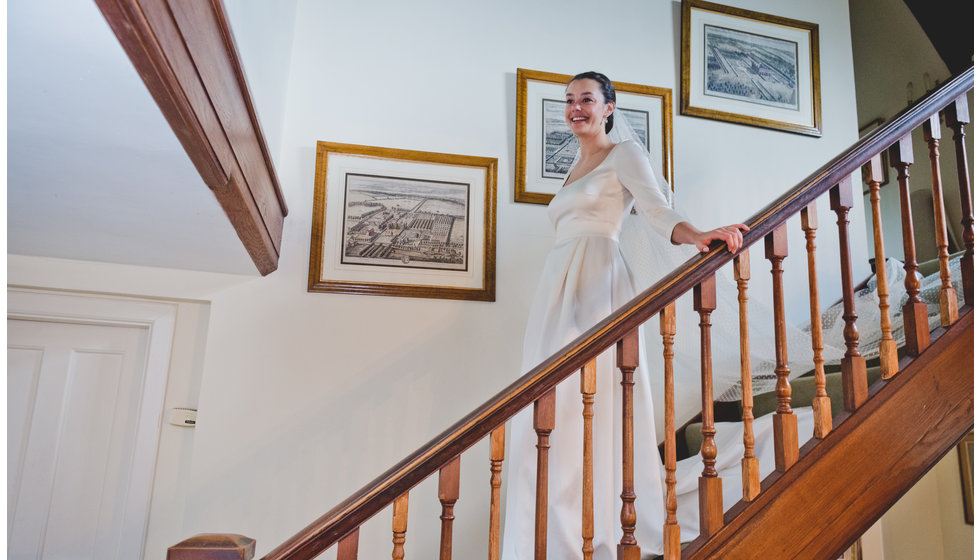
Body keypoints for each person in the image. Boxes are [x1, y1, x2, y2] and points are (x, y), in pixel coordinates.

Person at [500, 71, 748, 559]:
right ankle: (551, 534)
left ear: (609, 107)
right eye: (569, 100)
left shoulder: (625, 154)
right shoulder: (575, 163)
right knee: (551, 407)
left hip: (598, 282)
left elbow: (656, 210)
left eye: (586, 100)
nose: (576, 108)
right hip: (557, 289)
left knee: (586, 401)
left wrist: (697, 235)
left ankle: (594, 531)